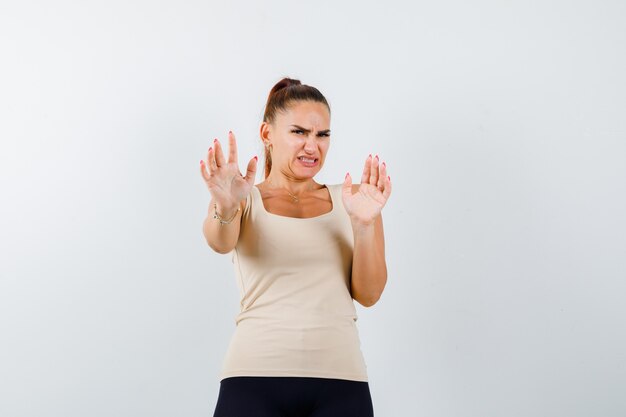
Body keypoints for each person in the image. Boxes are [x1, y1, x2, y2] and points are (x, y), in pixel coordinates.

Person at [199, 77, 392, 417]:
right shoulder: (243, 196)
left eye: (322, 135)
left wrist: (364, 226)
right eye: (299, 132)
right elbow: (219, 241)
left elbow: (370, 294)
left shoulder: (355, 201)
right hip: (253, 376)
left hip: (341, 379)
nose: (312, 147)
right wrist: (226, 207)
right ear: (267, 135)